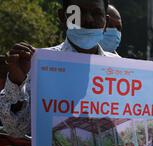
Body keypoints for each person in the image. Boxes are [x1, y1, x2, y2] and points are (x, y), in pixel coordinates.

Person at [0, 0, 119, 138]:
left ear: (106, 22)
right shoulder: (36, 64)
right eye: (77, 12)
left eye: (96, 13)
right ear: (63, 17)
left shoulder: (122, 69)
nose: (88, 19)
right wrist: (17, 82)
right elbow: (15, 129)